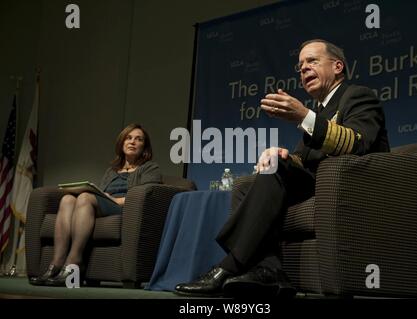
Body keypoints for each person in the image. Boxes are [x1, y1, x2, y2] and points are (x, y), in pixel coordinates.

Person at [175, 39, 390, 297]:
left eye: (312, 61)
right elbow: (303, 159)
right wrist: (282, 154)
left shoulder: (357, 95)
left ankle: (228, 266)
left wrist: (303, 117)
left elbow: (357, 143)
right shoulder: (318, 111)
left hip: (352, 185)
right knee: (253, 180)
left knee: (277, 168)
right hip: (320, 184)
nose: (303, 69)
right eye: (299, 66)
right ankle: (271, 271)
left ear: (337, 66)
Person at [29, 123, 162, 286]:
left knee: (85, 197)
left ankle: (75, 262)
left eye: (138, 139)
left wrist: (112, 200)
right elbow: (102, 193)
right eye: (128, 138)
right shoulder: (112, 170)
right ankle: (56, 264)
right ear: (122, 143)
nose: (132, 142)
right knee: (67, 199)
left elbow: (144, 198)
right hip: (105, 206)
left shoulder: (150, 168)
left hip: (126, 210)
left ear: (144, 146)